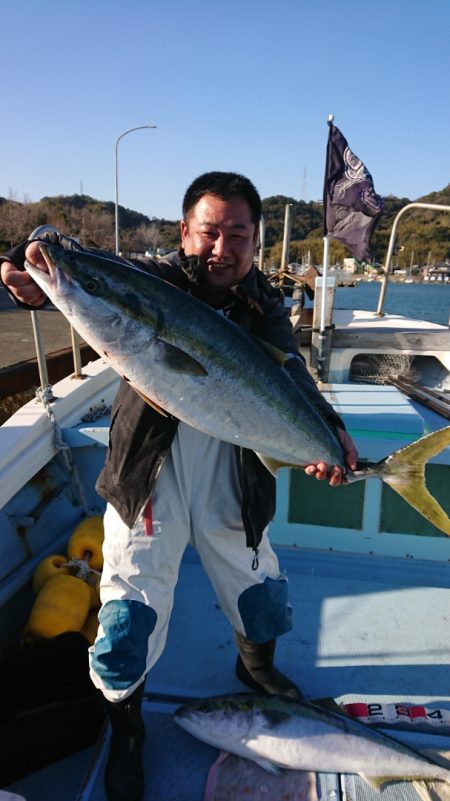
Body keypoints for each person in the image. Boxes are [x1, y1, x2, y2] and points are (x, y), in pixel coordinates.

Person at [1, 171, 358, 801]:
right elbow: (65, 255)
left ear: (255, 242)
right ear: (184, 233)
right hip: (149, 476)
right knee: (128, 614)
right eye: (209, 233)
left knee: (256, 589)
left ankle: (256, 668)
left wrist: (328, 433)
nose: (222, 248)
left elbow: (294, 373)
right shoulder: (157, 282)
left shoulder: (264, 306)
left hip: (236, 472)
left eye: (238, 235)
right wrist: (36, 267)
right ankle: (128, 728)